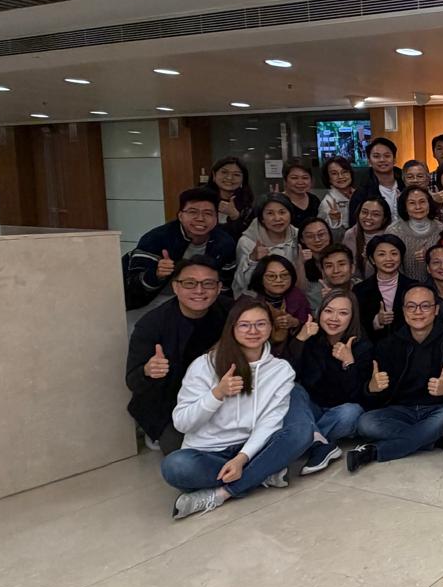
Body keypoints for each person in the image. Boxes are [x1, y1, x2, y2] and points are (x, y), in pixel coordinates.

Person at [161, 296, 311, 519]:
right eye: (244, 325)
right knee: (175, 466)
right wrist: (217, 394)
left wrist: (242, 458)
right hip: (209, 452)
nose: (253, 331)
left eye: (260, 324)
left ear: (271, 327)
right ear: (232, 328)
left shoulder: (281, 370)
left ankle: (223, 493)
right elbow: (182, 423)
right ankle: (263, 473)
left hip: (253, 448)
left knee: (302, 432)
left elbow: (270, 421)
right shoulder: (205, 365)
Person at [346, 286, 443, 472]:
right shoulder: (388, 345)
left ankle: (375, 451)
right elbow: (374, 398)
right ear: (403, 310)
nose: (418, 312)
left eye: (425, 306)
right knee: (365, 422)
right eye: (411, 306)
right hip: (401, 411)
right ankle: (430, 438)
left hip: (438, 409)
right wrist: (371, 388)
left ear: (436, 309)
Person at [126, 257, 230, 452]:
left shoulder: (229, 311)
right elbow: (132, 381)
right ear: (175, 287)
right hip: (169, 402)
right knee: (183, 451)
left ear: (218, 288)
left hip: (216, 394)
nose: (199, 290)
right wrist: (148, 371)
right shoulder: (151, 324)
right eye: (190, 283)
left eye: (208, 283)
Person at [286, 290, 372, 473]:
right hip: (311, 409)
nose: (334, 318)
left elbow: (360, 395)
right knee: (293, 389)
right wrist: (300, 339)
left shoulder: (362, 345)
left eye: (343, 313)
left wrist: (348, 363)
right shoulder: (310, 336)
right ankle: (320, 445)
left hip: (339, 413)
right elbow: (286, 374)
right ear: (320, 312)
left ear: (352, 317)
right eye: (329, 311)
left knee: (352, 412)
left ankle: (304, 440)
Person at [125, 187, 237, 308]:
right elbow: (134, 286)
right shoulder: (156, 239)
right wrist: (156, 274)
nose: (200, 218)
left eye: (208, 213)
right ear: (180, 216)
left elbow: (225, 285)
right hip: (154, 299)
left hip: (200, 299)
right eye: (193, 212)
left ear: (216, 218)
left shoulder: (224, 243)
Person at [353, 232, 421, 339]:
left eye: (394, 254)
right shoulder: (360, 290)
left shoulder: (414, 287)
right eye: (382, 254)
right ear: (372, 259)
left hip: (408, 344)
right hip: (374, 345)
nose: (389, 259)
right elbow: (357, 325)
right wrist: (377, 321)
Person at [233, 195, 300, 296]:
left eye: (282, 212)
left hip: (289, 295)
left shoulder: (298, 236)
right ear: (262, 219)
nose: (277, 218)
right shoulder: (247, 242)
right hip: (255, 298)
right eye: (270, 213)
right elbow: (242, 283)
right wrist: (253, 260)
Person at [246, 256, 311, 345]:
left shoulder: (297, 296)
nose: (279, 280)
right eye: (271, 276)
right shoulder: (250, 300)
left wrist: (295, 323)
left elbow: (309, 324)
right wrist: (272, 325)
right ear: (260, 278)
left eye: (284, 275)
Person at [351, 136, 402, 221]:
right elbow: (355, 223)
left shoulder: (407, 184)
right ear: (369, 161)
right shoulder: (362, 193)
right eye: (376, 156)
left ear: (394, 159)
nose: (382, 160)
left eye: (387, 156)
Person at [205, 156, 254, 238]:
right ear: (214, 175)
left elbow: (249, 237)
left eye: (236, 174)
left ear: (243, 179)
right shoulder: (200, 198)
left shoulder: (248, 205)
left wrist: (235, 216)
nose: (229, 178)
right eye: (224, 172)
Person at [345, 198, 392, 281]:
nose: (368, 217)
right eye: (364, 212)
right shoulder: (350, 235)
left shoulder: (390, 236)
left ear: (384, 219)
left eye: (375, 214)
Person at [297, 217, 336, 306]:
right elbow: (299, 291)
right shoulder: (299, 261)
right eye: (310, 236)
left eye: (321, 234)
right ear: (302, 240)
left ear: (329, 235)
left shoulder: (340, 255)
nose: (317, 240)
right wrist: (300, 264)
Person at [277, 161, 319, 229]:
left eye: (305, 178)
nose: (300, 182)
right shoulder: (278, 202)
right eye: (294, 178)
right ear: (285, 180)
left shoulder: (314, 200)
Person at [318, 156, 356, 230]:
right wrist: (334, 221)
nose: (340, 176)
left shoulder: (360, 194)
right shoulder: (327, 203)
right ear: (328, 178)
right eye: (334, 173)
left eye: (344, 172)